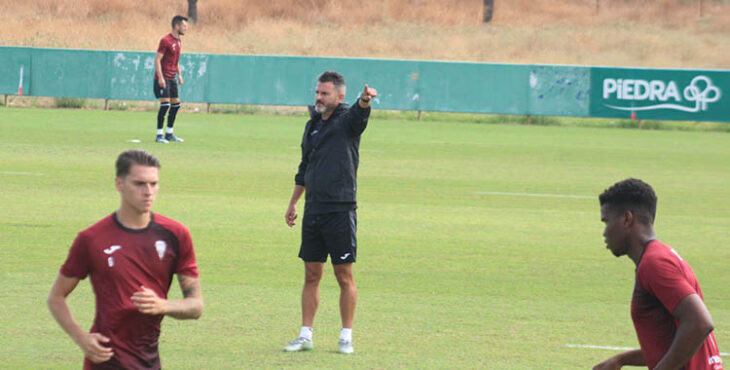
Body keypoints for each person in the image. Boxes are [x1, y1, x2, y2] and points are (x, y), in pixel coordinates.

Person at [47, 149, 203, 369]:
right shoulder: (92, 239)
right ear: (119, 184)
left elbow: (196, 306)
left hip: (148, 360)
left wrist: (163, 305)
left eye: (154, 184)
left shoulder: (176, 235)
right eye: (139, 184)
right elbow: (56, 296)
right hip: (105, 360)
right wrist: (81, 337)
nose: (148, 192)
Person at [283, 71, 377, 354]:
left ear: (340, 96)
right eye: (317, 93)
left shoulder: (347, 120)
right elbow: (304, 167)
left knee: (343, 275)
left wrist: (364, 101)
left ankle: (346, 336)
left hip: (340, 209)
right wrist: (293, 203)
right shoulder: (312, 125)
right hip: (313, 210)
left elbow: (359, 118)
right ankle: (305, 335)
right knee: (311, 274)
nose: (318, 98)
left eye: (324, 94)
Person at [594, 178, 723, 370]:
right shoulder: (663, 256)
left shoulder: (654, 264)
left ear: (627, 219)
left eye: (606, 221)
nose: (604, 232)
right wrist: (622, 359)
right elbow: (672, 343)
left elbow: (700, 323)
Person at [153, 15, 188, 143]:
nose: (186, 29)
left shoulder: (178, 41)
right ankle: (159, 135)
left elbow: (176, 60)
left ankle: (169, 133)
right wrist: (160, 78)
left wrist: (179, 74)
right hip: (163, 78)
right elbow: (157, 60)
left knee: (176, 105)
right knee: (165, 105)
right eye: (184, 26)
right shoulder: (165, 41)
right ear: (176, 26)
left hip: (172, 78)